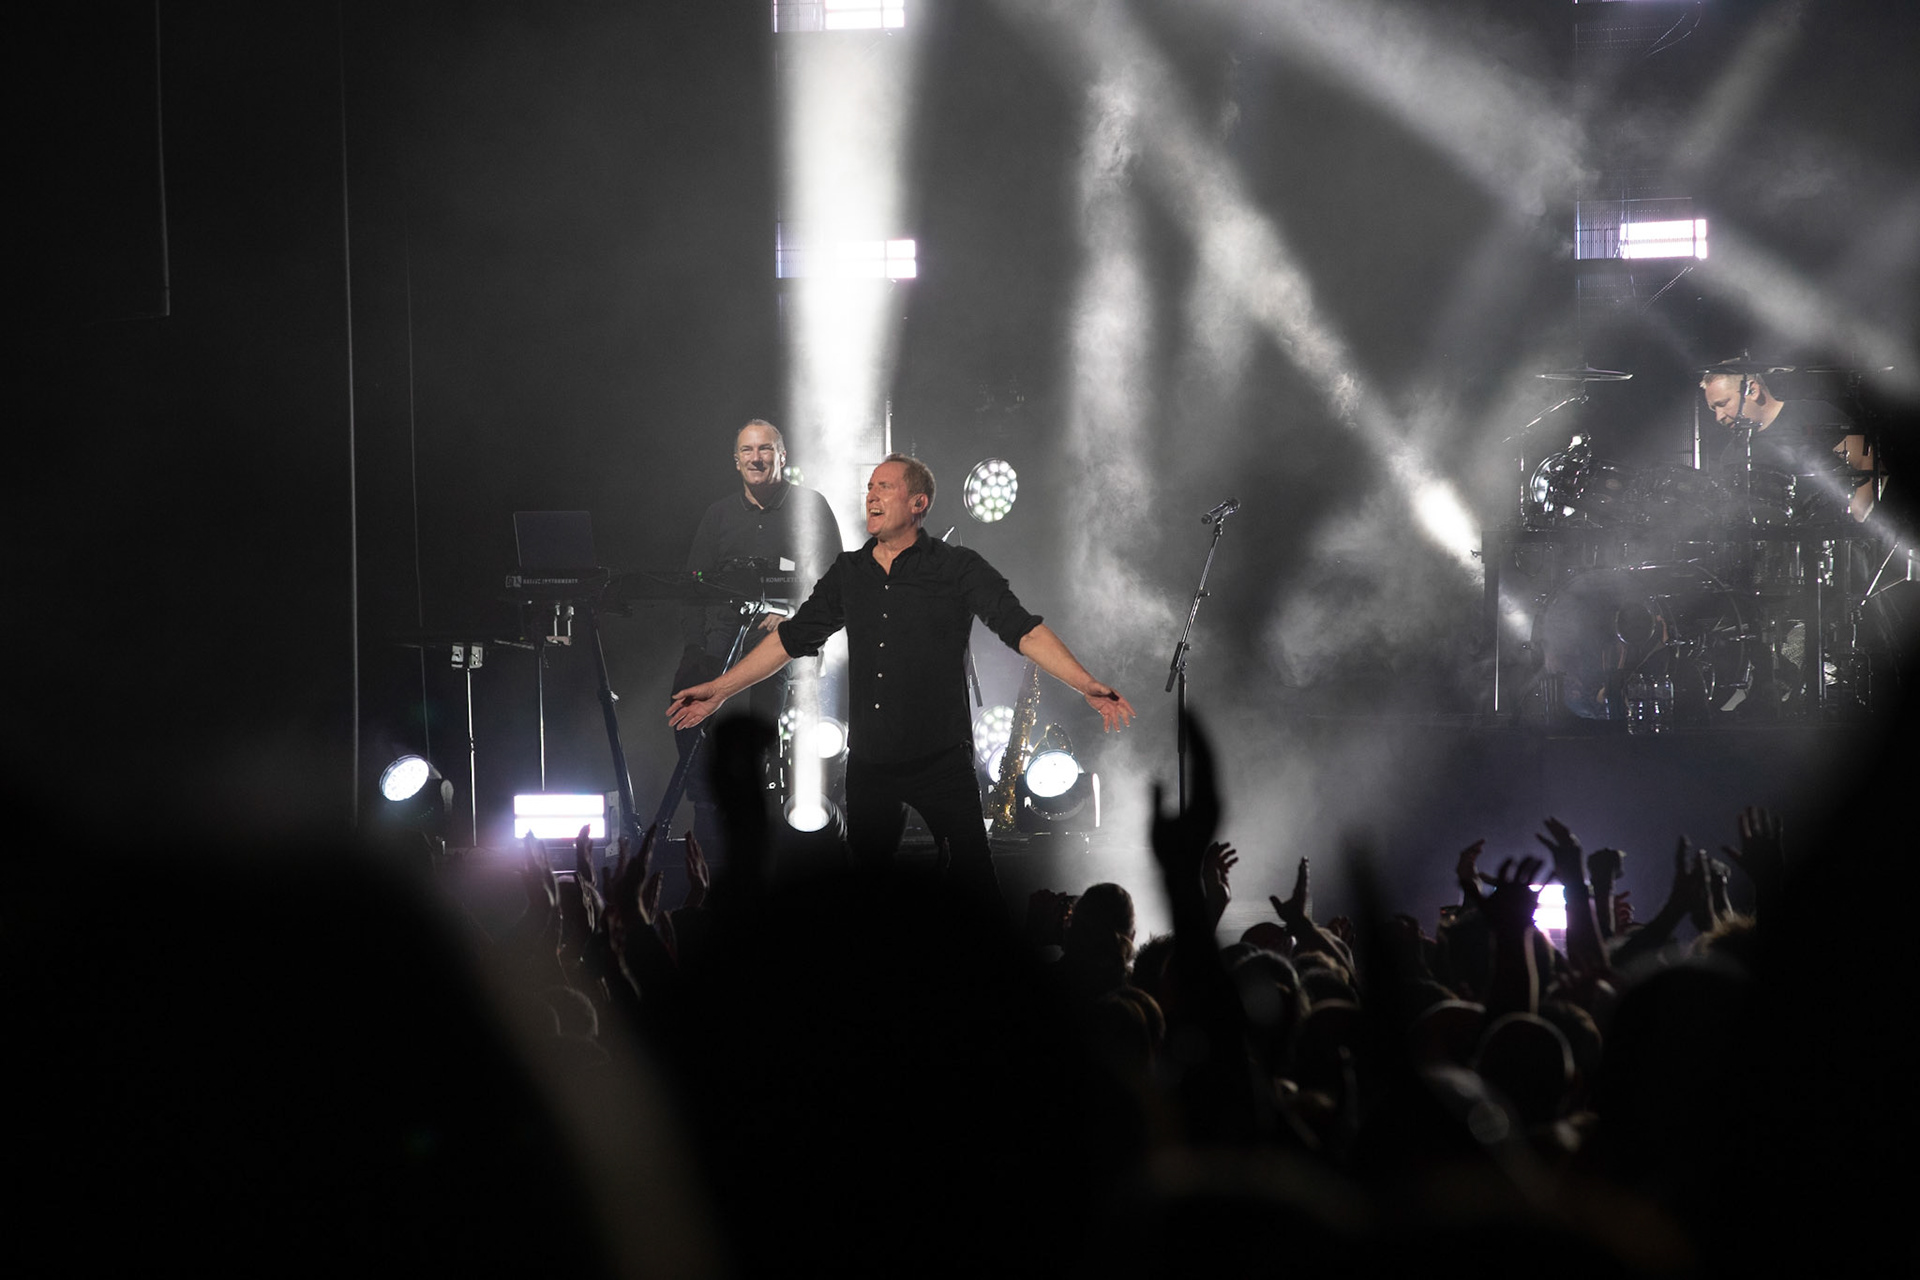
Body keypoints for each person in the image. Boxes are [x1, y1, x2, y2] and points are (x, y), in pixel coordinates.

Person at [667, 453, 1135, 896]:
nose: (871, 495)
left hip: (942, 760)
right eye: (870, 487)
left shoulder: (957, 568)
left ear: (917, 503)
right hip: (871, 763)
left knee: (977, 884)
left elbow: (1023, 629)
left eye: (885, 487)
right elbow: (791, 639)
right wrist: (720, 690)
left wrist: (1085, 683)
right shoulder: (850, 572)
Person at [673, 419, 844, 858]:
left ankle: (758, 820)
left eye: (764, 449)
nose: (756, 458)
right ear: (736, 461)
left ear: (782, 456)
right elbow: (693, 587)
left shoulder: (811, 507)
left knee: (758, 731)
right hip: (718, 642)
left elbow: (836, 581)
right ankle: (706, 819)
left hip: (780, 646)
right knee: (685, 706)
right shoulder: (718, 515)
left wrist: (790, 612)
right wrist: (695, 645)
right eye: (747, 451)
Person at [1699, 366, 1875, 522]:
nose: (1719, 417)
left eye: (1723, 404)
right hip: (1776, 545)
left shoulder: (1811, 413)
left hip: (1833, 538)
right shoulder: (1731, 454)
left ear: (1752, 390)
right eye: (1714, 409)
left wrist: (1858, 515)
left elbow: (1868, 460)